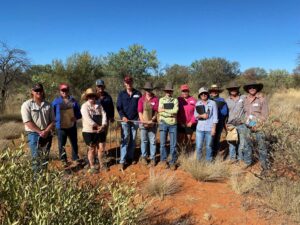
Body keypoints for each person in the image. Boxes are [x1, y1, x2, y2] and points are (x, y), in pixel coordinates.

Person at [21, 83, 55, 173]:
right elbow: (27, 122)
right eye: (36, 90)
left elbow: (53, 121)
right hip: (33, 134)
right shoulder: (26, 105)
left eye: (40, 90)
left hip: (47, 134)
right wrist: (40, 132)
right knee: (36, 158)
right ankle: (36, 181)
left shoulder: (49, 105)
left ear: (43, 91)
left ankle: (44, 179)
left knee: (45, 158)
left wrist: (46, 131)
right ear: (32, 92)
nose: (38, 92)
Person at [52, 83, 82, 168]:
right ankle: (63, 161)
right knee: (61, 144)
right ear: (60, 91)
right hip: (60, 127)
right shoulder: (55, 102)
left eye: (66, 90)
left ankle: (75, 159)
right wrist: (54, 123)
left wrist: (76, 118)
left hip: (72, 126)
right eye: (63, 90)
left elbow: (79, 114)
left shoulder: (73, 101)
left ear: (68, 91)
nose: (64, 92)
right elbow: (52, 114)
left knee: (74, 143)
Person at [116, 76, 141, 170]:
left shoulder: (138, 93)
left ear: (132, 82)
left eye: (130, 82)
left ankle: (130, 157)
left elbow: (140, 107)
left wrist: (139, 117)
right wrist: (123, 116)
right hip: (125, 121)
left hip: (135, 120)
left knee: (133, 139)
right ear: (124, 83)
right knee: (125, 139)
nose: (128, 84)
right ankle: (122, 161)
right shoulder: (121, 94)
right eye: (127, 82)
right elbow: (118, 107)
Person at [243, 81, 269, 170]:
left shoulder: (262, 99)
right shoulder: (244, 99)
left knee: (261, 146)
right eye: (250, 87)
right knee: (247, 144)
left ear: (257, 89)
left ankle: (264, 166)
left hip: (259, 126)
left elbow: (265, 115)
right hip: (247, 126)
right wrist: (249, 123)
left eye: (254, 87)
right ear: (247, 89)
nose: (252, 89)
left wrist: (256, 124)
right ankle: (248, 162)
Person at [81, 88, 107, 174]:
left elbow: (104, 115)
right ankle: (92, 166)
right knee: (92, 149)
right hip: (89, 131)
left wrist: (103, 125)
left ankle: (102, 165)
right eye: (89, 96)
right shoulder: (84, 106)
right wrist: (97, 126)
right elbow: (87, 118)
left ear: (95, 97)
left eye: (93, 96)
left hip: (101, 130)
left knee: (101, 148)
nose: (91, 98)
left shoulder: (99, 105)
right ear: (87, 97)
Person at [225, 82, 247, 163]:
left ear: (237, 89)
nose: (233, 90)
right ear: (229, 90)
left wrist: (260, 95)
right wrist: (225, 124)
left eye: (235, 88)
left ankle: (240, 159)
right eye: (231, 89)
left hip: (242, 124)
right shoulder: (226, 101)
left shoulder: (244, 97)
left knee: (242, 143)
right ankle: (232, 158)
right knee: (232, 143)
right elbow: (225, 114)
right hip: (231, 125)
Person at [158, 82, 179, 170]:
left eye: (170, 91)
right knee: (162, 143)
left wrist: (164, 110)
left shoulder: (175, 100)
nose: (168, 93)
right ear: (165, 91)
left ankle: (172, 162)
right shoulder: (161, 100)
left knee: (173, 144)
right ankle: (163, 160)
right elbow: (159, 111)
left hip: (173, 124)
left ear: (172, 92)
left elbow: (175, 111)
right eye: (167, 91)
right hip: (163, 123)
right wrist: (169, 113)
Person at [138, 82, 159, 166]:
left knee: (153, 141)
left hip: (152, 124)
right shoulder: (141, 99)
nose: (148, 91)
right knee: (144, 141)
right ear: (145, 90)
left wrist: (152, 120)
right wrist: (143, 122)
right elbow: (139, 111)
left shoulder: (155, 99)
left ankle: (153, 158)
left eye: (149, 89)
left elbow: (156, 111)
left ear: (151, 90)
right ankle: (144, 157)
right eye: (147, 89)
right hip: (143, 124)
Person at [194, 87, 218, 161]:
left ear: (207, 94)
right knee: (198, 146)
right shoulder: (198, 103)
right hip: (200, 129)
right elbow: (195, 116)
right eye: (202, 94)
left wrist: (214, 129)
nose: (203, 95)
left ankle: (209, 162)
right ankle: (199, 162)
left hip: (209, 128)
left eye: (205, 93)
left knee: (209, 146)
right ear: (200, 95)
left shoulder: (213, 103)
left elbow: (215, 117)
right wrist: (202, 116)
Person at [95, 79, 115, 168]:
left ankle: (101, 153)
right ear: (96, 87)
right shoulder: (93, 96)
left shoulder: (108, 96)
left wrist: (112, 117)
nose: (100, 88)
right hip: (95, 121)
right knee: (95, 138)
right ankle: (96, 155)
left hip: (105, 120)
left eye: (101, 86)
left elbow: (111, 107)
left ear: (104, 87)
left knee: (103, 136)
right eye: (99, 86)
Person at [209, 84, 228, 157]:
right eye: (212, 91)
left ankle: (215, 154)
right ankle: (208, 154)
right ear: (210, 92)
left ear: (218, 92)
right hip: (208, 123)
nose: (214, 92)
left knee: (217, 138)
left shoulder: (222, 100)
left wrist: (216, 110)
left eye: (216, 91)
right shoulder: (207, 100)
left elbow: (225, 112)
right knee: (209, 138)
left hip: (219, 122)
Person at [177, 84, 197, 153]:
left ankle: (187, 153)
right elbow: (176, 111)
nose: (185, 93)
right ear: (181, 92)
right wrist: (180, 122)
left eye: (186, 91)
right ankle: (180, 153)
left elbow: (196, 112)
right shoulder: (178, 99)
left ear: (188, 91)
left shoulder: (193, 100)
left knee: (188, 139)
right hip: (181, 123)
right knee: (179, 139)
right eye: (183, 91)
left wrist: (192, 122)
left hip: (190, 124)